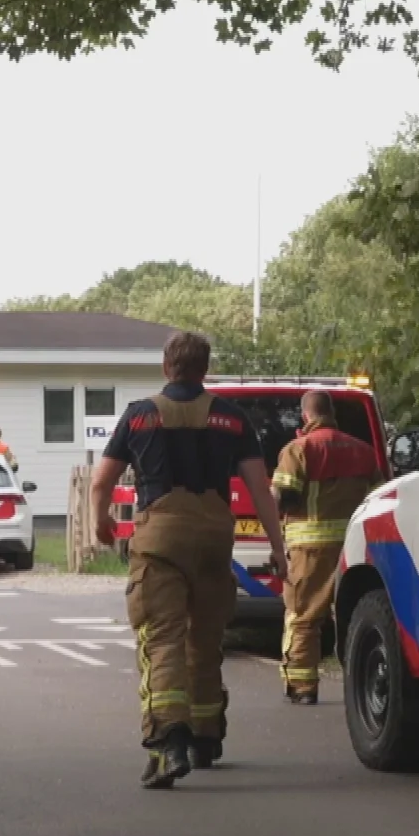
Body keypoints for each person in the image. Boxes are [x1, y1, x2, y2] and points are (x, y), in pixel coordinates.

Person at [92, 331, 287, 789]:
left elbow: (102, 481)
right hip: (214, 536)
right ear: (205, 368)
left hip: (160, 538)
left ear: (166, 366)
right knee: (204, 637)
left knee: (161, 639)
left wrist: (102, 521)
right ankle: (205, 737)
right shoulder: (231, 418)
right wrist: (278, 549)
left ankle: (168, 743)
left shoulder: (140, 416)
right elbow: (261, 489)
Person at [272, 390, 380, 704]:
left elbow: (284, 497)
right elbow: (378, 496)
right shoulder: (363, 451)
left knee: (303, 616)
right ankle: (359, 684)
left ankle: (303, 686)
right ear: (331, 413)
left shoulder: (298, 450)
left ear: (306, 415)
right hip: (356, 546)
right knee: (352, 615)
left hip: (310, 547)